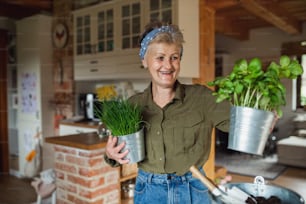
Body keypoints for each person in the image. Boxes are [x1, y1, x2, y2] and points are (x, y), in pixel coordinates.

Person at [104, 20, 231, 204]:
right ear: (144, 60)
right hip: (148, 191)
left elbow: (240, 125)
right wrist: (110, 154)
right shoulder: (133, 105)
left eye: (174, 57)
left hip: (193, 188)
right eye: (160, 57)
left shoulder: (202, 97)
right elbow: (115, 153)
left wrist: (263, 120)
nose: (168, 66)